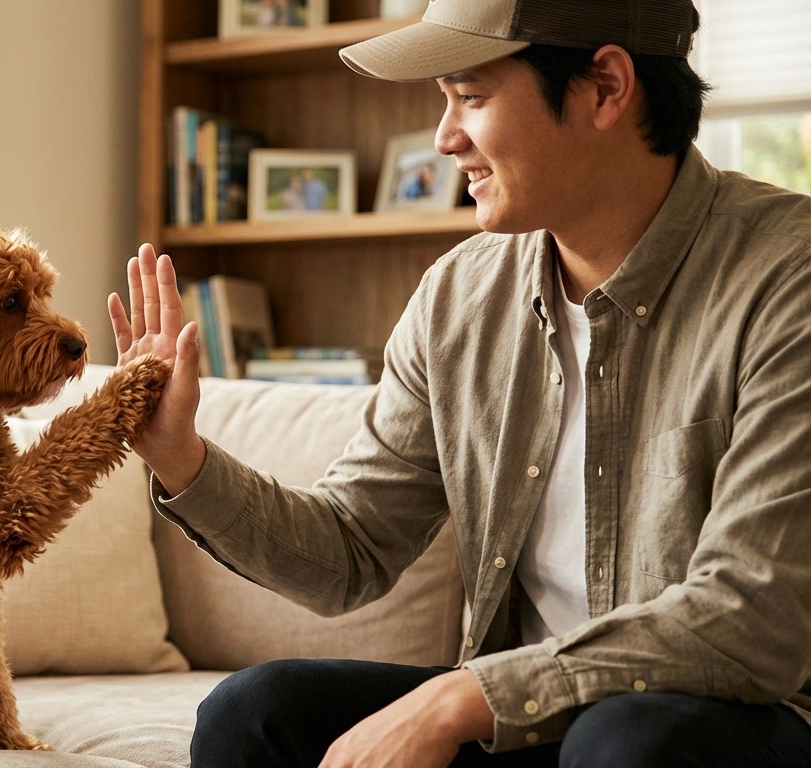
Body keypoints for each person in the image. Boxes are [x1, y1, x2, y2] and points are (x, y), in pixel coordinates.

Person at [105, 0, 811, 766]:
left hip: (738, 721)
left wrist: (461, 698)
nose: (444, 138)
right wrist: (180, 456)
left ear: (606, 87)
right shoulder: (459, 296)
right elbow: (351, 547)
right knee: (254, 712)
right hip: (520, 722)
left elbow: (752, 614)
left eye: (471, 96)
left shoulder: (787, 276)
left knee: (629, 740)